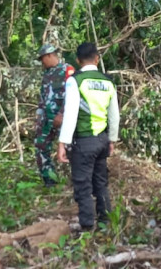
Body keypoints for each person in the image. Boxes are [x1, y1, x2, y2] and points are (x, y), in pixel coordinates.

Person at [57, 42, 119, 231]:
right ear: (97, 59)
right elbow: (114, 114)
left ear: (77, 61)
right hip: (102, 140)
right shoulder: (107, 81)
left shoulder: (76, 81)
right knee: (100, 182)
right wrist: (112, 140)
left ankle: (86, 227)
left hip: (84, 141)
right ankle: (105, 222)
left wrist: (62, 143)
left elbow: (71, 114)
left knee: (82, 184)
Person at [35, 44, 74, 187]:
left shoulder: (67, 70)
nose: (42, 62)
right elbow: (42, 97)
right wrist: (39, 116)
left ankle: (77, 179)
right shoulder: (46, 74)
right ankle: (49, 180)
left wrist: (62, 114)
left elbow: (72, 95)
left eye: (42, 59)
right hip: (46, 119)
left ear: (50, 55)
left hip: (62, 119)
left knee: (70, 149)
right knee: (41, 146)